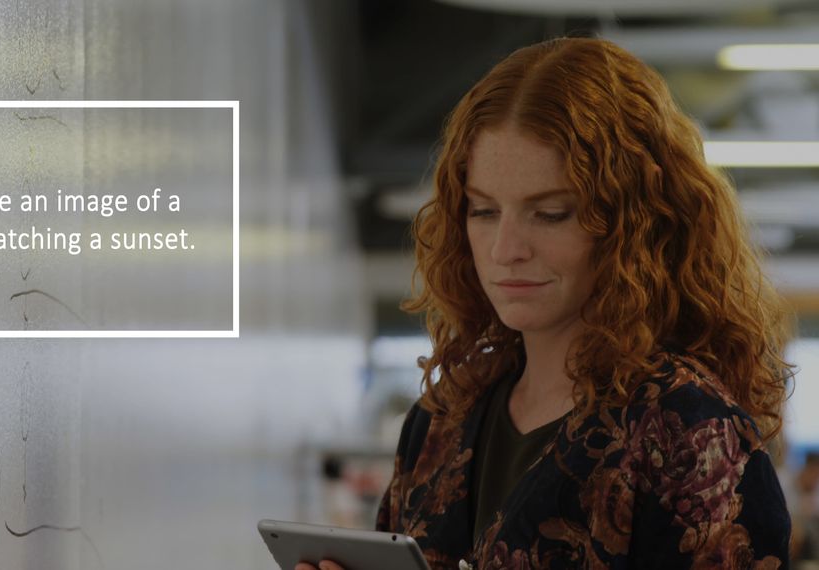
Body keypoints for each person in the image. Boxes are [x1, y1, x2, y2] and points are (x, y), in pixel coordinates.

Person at [297, 36, 795, 569]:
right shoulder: (442, 418)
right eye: (484, 211)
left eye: (551, 213)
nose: (505, 250)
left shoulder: (691, 432)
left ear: (636, 227)